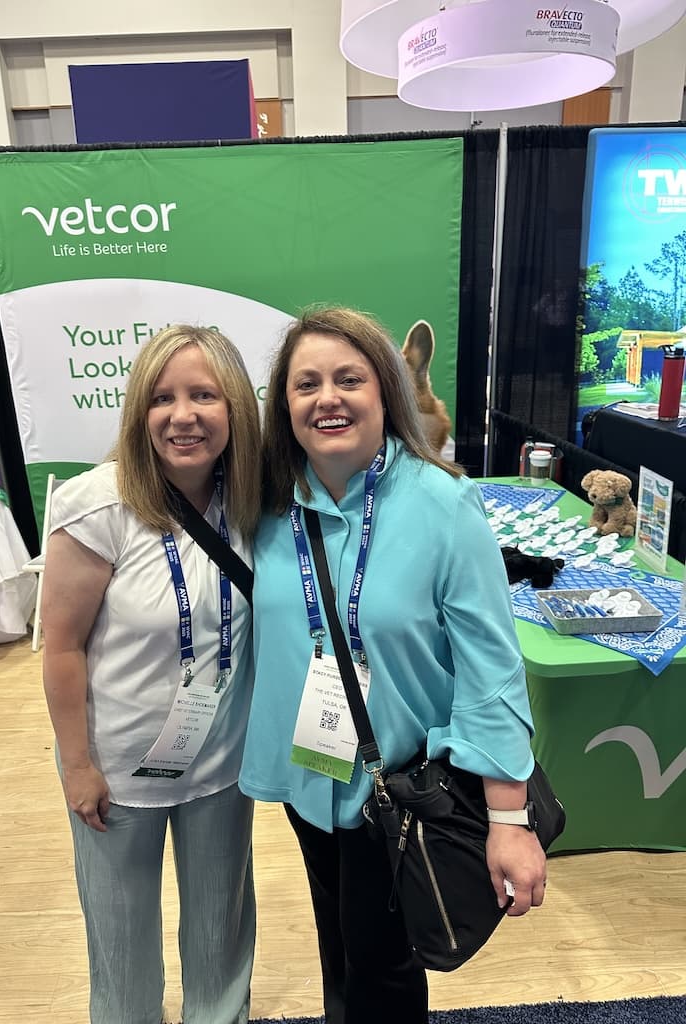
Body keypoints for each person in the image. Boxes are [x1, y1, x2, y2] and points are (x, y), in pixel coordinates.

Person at [239, 307, 547, 1024]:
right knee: (341, 944)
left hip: (400, 788)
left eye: (349, 379)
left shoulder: (443, 504)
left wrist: (509, 817)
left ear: (386, 391)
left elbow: (492, 668)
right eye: (306, 384)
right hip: (310, 775)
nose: (328, 398)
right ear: (284, 406)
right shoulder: (267, 505)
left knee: (383, 966)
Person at [41, 325, 260, 1024]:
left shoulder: (255, 502)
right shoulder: (97, 506)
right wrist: (78, 765)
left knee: (221, 937)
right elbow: (61, 647)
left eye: (204, 395)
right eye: (162, 398)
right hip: (116, 769)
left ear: (235, 407)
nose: (182, 415)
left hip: (220, 766)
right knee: (122, 947)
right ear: (139, 410)